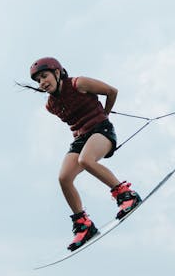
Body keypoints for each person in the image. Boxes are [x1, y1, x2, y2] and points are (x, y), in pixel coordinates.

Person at [29, 57, 142, 250]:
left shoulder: (78, 83)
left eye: (45, 76)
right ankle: (84, 225)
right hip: (81, 139)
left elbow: (111, 91)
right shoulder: (50, 106)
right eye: (38, 80)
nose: (42, 83)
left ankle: (127, 195)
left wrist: (105, 113)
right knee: (64, 178)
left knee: (86, 160)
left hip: (102, 130)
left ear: (57, 73)